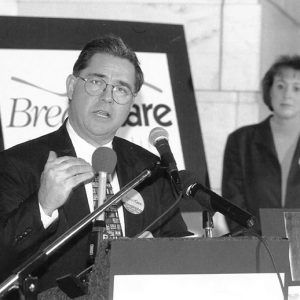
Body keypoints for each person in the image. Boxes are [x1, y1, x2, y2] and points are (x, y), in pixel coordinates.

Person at [0, 35, 190, 294]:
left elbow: (177, 245)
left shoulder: (150, 169)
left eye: (121, 89)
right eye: (97, 82)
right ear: (71, 87)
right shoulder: (18, 164)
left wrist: (156, 253)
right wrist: (42, 206)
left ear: (131, 103)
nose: (107, 97)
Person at [222, 55, 300, 234]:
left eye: (297, 88)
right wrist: (255, 244)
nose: (287, 95)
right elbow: (233, 202)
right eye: (280, 86)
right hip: (256, 247)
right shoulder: (241, 140)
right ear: (269, 90)